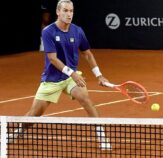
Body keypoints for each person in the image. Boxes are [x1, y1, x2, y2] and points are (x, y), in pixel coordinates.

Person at [10, 0, 112, 150]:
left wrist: (99, 75)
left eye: (71, 11)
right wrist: (72, 73)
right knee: (33, 115)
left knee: (85, 98)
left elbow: (87, 54)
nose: (69, 14)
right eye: (65, 10)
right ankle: (20, 131)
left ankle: (101, 135)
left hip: (70, 77)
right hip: (52, 79)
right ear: (58, 12)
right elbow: (52, 58)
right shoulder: (48, 32)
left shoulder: (78, 31)